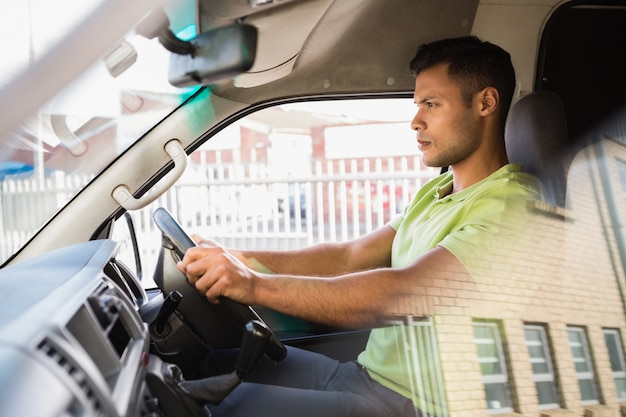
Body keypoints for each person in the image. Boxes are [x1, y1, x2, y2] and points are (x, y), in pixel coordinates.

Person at [177, 36, 543, 417]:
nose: (416, 121)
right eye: (418, 105)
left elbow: (400, 296)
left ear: (486, 103)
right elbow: (349, 257)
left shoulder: (512, 207)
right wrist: (240, 258)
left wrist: (252, 285)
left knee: (202, 409)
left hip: (412, 407)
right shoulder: (439, 189)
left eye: (432, 104)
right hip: (364, 377)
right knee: (201, 368)